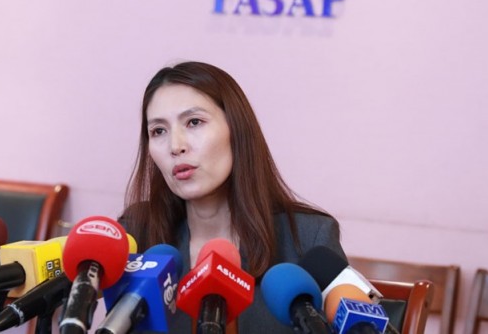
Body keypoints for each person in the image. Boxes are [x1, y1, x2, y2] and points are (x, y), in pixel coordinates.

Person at [119, 61, 346, 333]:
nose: (175, 146)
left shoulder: (309, 238)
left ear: (236, 129)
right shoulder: (136, 234)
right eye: (158, 131)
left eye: (194, 122)